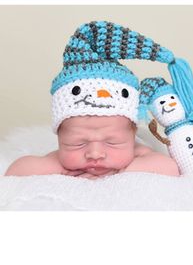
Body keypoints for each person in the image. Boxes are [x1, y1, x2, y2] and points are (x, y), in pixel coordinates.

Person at [5, 21, 179, 179]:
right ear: (59, 137)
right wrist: (62, 171)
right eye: (78, 144)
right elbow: (17, 170)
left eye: (112, 142)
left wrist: (120, 173)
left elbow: (168, 167)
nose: (95, 154)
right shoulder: (60, 160)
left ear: (132, 136)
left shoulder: (138, 151)